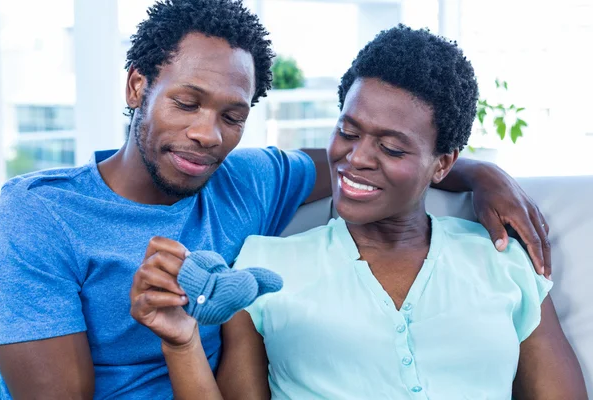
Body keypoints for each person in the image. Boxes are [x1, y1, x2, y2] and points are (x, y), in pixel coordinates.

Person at [0, 0, 553, 398]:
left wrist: (482, 174)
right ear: (138, 87)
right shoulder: (39, 214)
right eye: (187, 103)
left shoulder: (245, 180)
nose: (208, 134)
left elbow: (359, 163)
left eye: (232, 116)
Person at [131, 25, 587, 399]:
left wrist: (486, 174)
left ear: (444, 163)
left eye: (390, 147)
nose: (357, 158)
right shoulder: (264, 265)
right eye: (348, 131)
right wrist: (183, 342)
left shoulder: (502, 260)